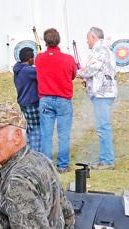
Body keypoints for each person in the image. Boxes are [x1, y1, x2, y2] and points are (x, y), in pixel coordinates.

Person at [35, 28, 77, 172]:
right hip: (63, 100)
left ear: (45, 42)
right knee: (63, 135)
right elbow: (72, 75)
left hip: (46, 99)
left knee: (46, 134)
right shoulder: (69, 59)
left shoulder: (39, 58)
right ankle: (63, 165)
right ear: (58, 40)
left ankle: (47, 165)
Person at [78, 27, 118, 170]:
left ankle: (107, 161)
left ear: (94, 38)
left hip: (102, 94)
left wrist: (77, 72)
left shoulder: (100, 50)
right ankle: (105, 159)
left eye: (88, 38)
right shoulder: (105, 50)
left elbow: (91, 70)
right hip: (103, 93)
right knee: (103, 127)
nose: (86, 41)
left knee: (103, 128)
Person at [13, 47, 41, 152]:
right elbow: (42, 72)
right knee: (36, 130)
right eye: (33, 58)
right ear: (30, 59)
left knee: (29, 129)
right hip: (32, 103)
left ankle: (28, 151)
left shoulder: (18, 69)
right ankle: (35, 153)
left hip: (23, 103)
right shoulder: (28, 70)